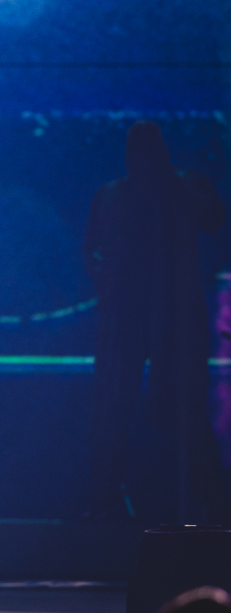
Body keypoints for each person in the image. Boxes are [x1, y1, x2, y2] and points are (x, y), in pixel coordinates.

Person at [84, 121, 226, 522]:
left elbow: (214, 218)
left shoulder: (182, 183)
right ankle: (103, 499)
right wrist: (103, 278)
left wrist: (177, 190)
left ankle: (210, 502)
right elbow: (91, 248)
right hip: (129, 314)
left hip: (175, 315)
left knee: (185, 409)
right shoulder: (112, 194)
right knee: (115, 407)